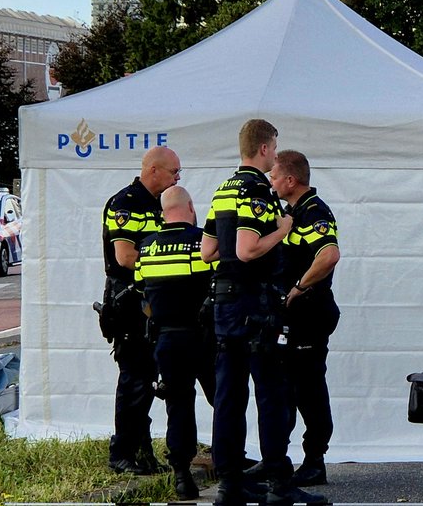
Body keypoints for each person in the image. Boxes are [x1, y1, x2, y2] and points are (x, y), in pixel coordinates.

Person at [199, 119, 328, 506]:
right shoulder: (258, 188)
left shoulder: (223, 190)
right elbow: (247, 249)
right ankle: (277, 482)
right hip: (255, 304)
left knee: (229, 395)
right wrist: (283, 229)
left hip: (224, 303)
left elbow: (209, 251)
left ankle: (230, 482)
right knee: (272, 392)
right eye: (274, 147)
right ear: (266, 148)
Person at [100, 145, 181, 475]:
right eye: (174, 171)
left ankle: (143, 453)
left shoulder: (158, 205)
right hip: (129, 302)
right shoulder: (127, 204)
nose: (178, 177)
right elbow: (125, 256)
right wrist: (168, 264)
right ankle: (121, 453)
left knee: (148, 380)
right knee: (133, 380)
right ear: (154, 171)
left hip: (151, 301)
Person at [133, 185, 216, 500]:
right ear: (191, 207)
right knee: (223, 400)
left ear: (162, 213)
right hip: (204, 338)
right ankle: (228, 463)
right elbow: (215, 284)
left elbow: (144, 298)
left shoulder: (147, 248)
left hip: (166, 340)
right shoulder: (202, 242)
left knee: (178, 406)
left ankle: (182, 477)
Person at [269, 150, 341, 487]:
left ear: (290, 180)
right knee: (286, 388)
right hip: (290, 317)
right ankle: (276, 459)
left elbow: (329, 254)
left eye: (274, 176)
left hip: (309, 314)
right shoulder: (291, 212)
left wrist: (298, 288)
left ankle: (315, 460)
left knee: (309, 388)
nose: (270, 181)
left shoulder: (313, 211)